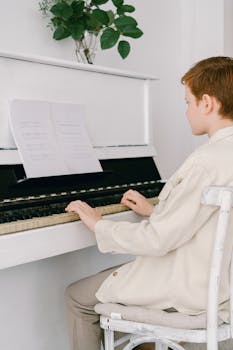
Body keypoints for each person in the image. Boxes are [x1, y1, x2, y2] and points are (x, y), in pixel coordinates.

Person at [65, 56, 233, 350]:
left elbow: (158, 240)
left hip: (192, 288)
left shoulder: (207, 161)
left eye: (188, 102)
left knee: (77, 297)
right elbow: (209, 217)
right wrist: (156, 211)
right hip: (220, 284)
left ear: (207, 103)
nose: (187, 111)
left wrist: (99, 224)